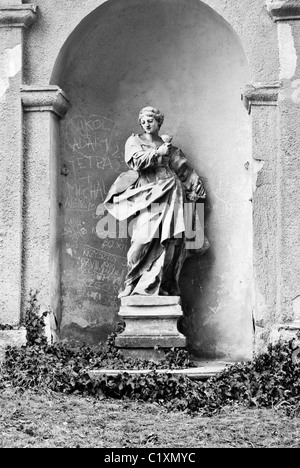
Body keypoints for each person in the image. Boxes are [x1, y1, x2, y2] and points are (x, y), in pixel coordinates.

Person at [104, 106, 206, 298]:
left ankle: (160, 286)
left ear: (159, 122)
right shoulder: (135, 141)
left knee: (171, 242)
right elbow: (135, 162)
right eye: (143, 121)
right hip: (148, 194)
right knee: (141, 240)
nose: (146, 124)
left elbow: (182, 169)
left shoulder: (171, 148)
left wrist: (195, 183)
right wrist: (157, 153)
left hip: (171, 192)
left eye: (150, 120)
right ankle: (132, 282)